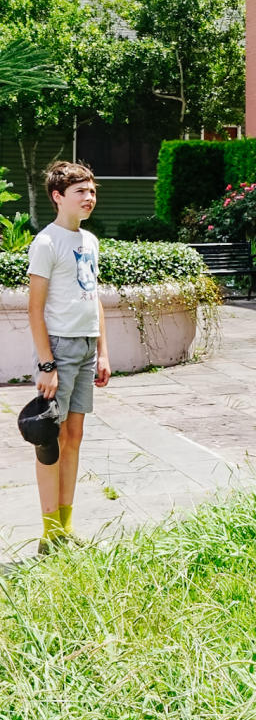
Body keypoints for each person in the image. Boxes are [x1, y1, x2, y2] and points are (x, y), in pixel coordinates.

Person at [26, 161, 111, 555]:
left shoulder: (89, 241)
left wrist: (103, 351)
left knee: (74, 436)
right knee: (51, 439)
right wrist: (47, 364)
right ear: (58, 197)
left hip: (87, 347)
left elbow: (95, 299)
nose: (89, 198)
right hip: (59, 350)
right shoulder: (46, 242)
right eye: (81, 192)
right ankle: (48, 535)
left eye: (92, 191)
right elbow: (35, 309)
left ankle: (66, 526)